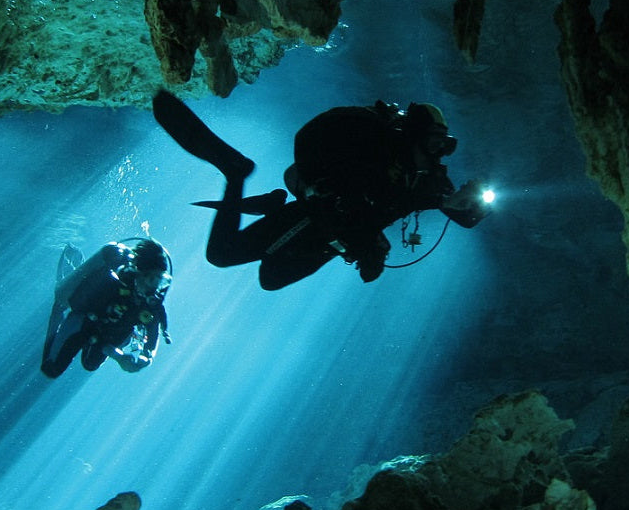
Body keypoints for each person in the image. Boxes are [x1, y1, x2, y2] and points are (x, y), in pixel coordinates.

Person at [153, 89, 491, 290]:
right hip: (313, 222)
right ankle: (236, 172)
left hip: (329, 242)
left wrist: (465, 202)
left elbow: (460, 214)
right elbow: (367, 200)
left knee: (269, 279)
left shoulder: (425, 178)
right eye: (434, 143)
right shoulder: (377, 156)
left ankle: (267, 197)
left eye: (445, 146)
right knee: (222, 255)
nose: (439, 153)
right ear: (413, 138)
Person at [41, 238, 172, 378]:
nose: (156, 286)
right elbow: (94, 332)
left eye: (161, 280)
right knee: (51, 369)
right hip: (85, 321)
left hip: (108, 332)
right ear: (139, 273)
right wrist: (118, 356)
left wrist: (147, 356)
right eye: (152, 279)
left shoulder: (151, 302)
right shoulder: (111, 286)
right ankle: (59, 306)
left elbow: (153, 332)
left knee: (90, 364)